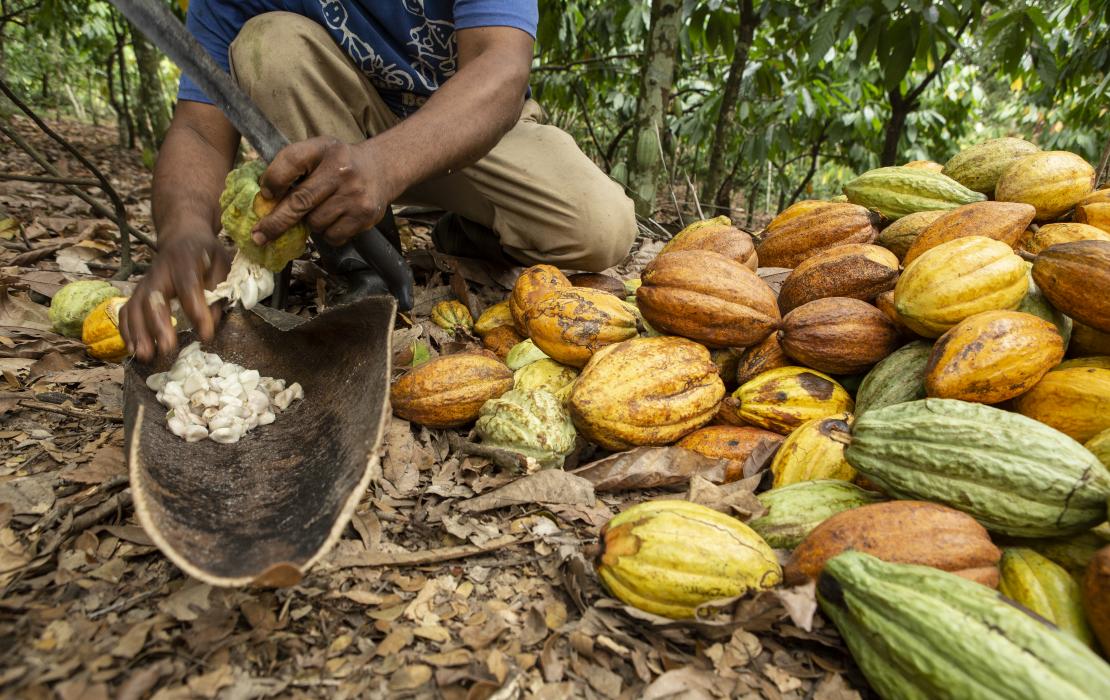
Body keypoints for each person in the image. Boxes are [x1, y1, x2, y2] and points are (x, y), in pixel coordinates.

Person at [122, 0, 637, 362]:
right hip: (335, 128)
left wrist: (384, 164)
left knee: (600, 227)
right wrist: (184, 231)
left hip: (464, 128)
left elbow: (500, 66)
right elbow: (199, 129)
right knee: (268, 43)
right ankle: (364, 268)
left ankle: (469, 230)